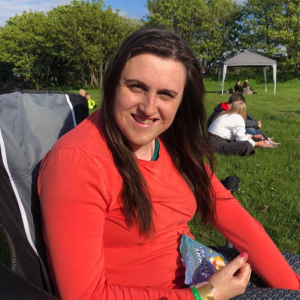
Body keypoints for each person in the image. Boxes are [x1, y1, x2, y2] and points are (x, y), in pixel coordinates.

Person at [38, 27, 300, 300]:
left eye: (166, 94)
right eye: (137, 87)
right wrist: (205, 294)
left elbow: (232, 215)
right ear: (113, 84)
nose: (149, 108)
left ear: (182, 100)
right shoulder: (78, 162)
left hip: (197, 269)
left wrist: (292, 285)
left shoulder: (171, 142)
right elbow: (84, 295)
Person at [207, 93, 280, 146]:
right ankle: (262, 141)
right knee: (248, 128)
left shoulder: (227, 109)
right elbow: (242, 122)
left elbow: (246, 116)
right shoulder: (221, 112)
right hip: (218, 138)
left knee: (249, 127)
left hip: (219, 137)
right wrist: (256, 123)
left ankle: (264, 138)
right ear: (234, 103)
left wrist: (254, 122)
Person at [207, 101, 273, 156]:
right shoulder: (238, 118)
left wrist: (252, 136)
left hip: (210, 140)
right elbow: (241, 139)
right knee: (246, 145)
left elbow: (236, 135)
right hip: (217, 145)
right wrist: (257, 144)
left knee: (239, 142)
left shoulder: (224, 114)